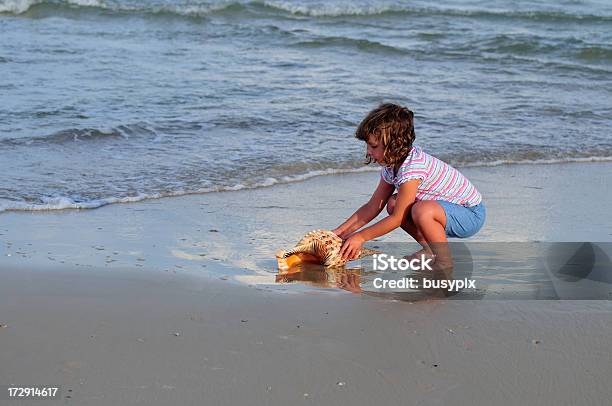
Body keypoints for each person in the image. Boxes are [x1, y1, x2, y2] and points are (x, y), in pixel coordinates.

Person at [332, 103, 486, 266]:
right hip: (444, 210)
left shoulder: (412, 168)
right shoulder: (391, 166)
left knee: (421, 210)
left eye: (374, 146)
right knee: (394, 203)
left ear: (394, 145)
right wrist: (339, 233)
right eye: (368, 145)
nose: (369, 151)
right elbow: (372, 206)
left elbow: (397, 219)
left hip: (470, 214)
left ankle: (444, 260)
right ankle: (430, 250)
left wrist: (361, 237)